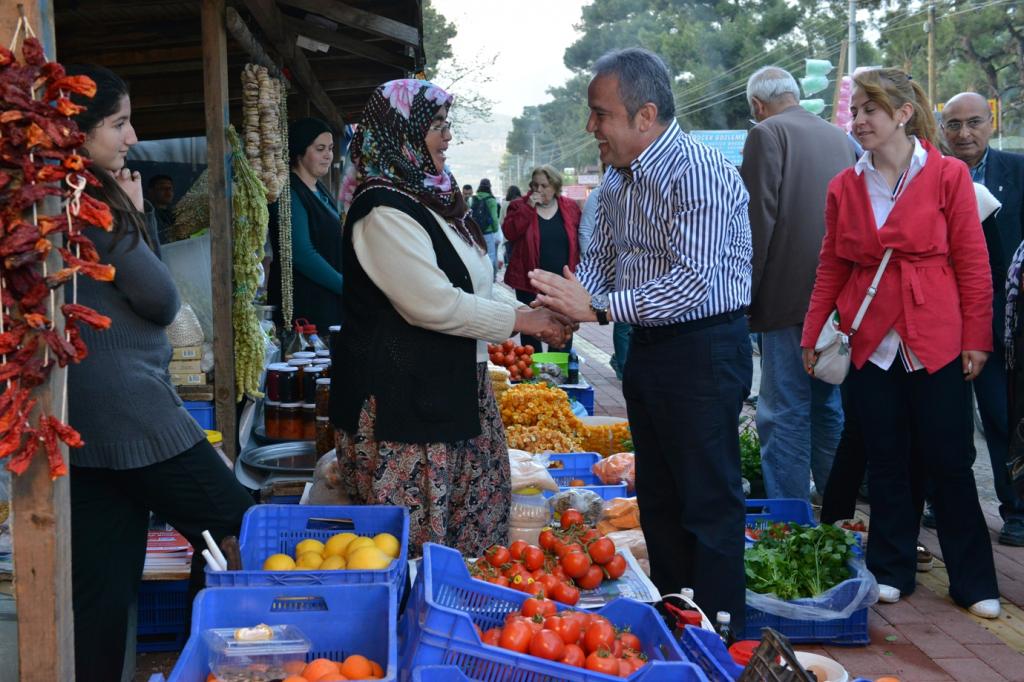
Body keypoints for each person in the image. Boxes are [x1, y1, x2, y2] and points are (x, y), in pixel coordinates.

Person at [530, 48, 753, 629]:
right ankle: (676, 618)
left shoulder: (698, 171)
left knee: (707, 501)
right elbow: (601, 261)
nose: (591, 127)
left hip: (703, 346)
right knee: (657, 498)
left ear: (645, 116)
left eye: (600, 114)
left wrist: (598, 308)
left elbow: (693, 282)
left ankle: (722, 633)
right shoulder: (616, 181)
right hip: (650, 347)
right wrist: (566, 306)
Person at [64, 65, 254, 681]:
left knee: (101, 593)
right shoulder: (95, 203)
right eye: (118, 123)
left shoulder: (51, 198)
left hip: (83, 424)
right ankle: (212, 663)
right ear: (80, 130)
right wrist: (136, 214)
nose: (132, 137)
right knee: (237, 523)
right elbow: (163, 300)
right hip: (131, 413)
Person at [330, 79, 572, 557]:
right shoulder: (382, 209)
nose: (448, 136)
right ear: (402, 131)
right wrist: (524, 322)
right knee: (416, 547)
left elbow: (474, 282)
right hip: (404, 408)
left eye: (447, 124)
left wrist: (532, 310)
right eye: (437, 125)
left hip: (451, 390)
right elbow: (432, 303)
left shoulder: (431, 198)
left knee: (469, 537)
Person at [801, 68, 999, 618]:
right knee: (885, 457)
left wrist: (977, 336)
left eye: (871, 110)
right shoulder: (845, 185)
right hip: (869, 337)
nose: (858, 120)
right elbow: (831, 266)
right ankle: (891, 568)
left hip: (936, 333)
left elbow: (973, 262)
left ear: (903, 114)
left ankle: (974, 580)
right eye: (855, 111)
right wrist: (813, 332)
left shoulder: (948, 174)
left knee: (949, 459)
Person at [740, 66, 855, 502]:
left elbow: (758, 223)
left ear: (757, 105)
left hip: (786, 299)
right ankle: (837, 506)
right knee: (826, 404)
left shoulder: (766, 134)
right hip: (836, 299)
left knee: (783, 409)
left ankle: (788, 518)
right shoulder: (840, 138)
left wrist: (746, 295)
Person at [942, 92, 1024, 545]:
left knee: (1001, 416)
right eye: (953, 124)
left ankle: (1016, 510)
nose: (964, 133)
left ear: (991, 123)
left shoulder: (1017, 171)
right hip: (938, 317)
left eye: (974, 122)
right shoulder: (929, 174)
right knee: (944, 420)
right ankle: (944, 503)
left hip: (1000, 321)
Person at [268, 117, 342, 334]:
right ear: (300, 151)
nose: (328, 155)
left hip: (328, 301)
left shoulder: (320, 189)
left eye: (330, 148)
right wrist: (345, 286)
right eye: (320, 149)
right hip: (305, 306)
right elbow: (302, 253)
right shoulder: (289, 192)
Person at [503, 165, 582, 352]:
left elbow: (580, 239)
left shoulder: (570, 207)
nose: (538, 190)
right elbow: (510, 233)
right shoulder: (519, 206)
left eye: (544, 186)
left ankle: (558, 367)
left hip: (561, 283)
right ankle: (533, 367)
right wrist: (529, 208)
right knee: (532, 331)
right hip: (530, 282)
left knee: (563, 328)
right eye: (534, 185)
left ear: (555, 186)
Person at [471, 178, 501, 277]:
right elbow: (494, 218)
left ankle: (479, 276)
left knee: (477, 255)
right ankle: (489, 277)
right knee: (490, 256)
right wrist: (495, 229)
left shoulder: (474, 198)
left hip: (476, 232)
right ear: (489, 187)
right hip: (488, 232)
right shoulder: (491, 200)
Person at [145, 173, 175, 243]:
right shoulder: (147, 216)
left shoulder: (175, 214)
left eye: (170, 188)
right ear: (151, 191)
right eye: (162, 188)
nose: (168, 192)